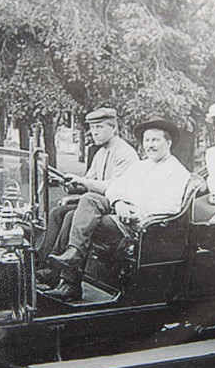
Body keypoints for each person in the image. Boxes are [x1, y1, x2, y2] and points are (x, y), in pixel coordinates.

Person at [46, 116, 191, 301]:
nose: (150, 145)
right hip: (120, 211)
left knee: (77, 218)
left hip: (140, 223)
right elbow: (115, 188)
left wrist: (136, 210)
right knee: (88, 200)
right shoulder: (140, 166)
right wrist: (119, 203)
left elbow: (171, 204)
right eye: (147, 140)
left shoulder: (176, 171)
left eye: (155, 140)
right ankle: (72, 257)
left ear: (168, 142)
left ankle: (69, 281)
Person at [36, 107, 139, 283]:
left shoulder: (125, 153)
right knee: (57, 212)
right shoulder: (101, 152)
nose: (95, 132)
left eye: (100, 127)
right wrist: (71, 184)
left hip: (117, 204)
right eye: (92, 128)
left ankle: (58, 270)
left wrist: (83, 182)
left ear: (114, 128)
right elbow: (88, 181)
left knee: (70, 215)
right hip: (97, 203)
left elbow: (115, 187)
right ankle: (43, 263)